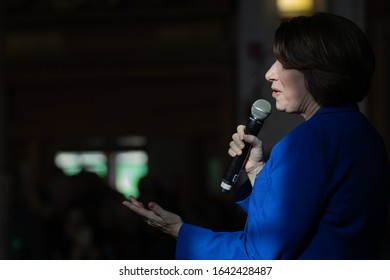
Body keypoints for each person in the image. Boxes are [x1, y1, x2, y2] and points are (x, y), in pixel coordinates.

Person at [122, 12, 390, 259]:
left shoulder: (307, 143)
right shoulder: (366, 136)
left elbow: (261, 257)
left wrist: (180, 232)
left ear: (318, 72)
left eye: (283, 62)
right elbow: (318, 221)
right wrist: (257, 171)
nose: (269, 73)